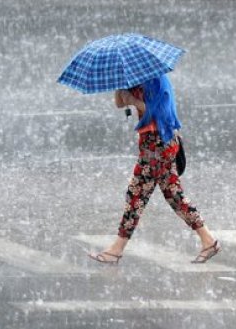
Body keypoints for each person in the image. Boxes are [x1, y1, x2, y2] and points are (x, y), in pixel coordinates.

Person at [88, 74, 221, 264]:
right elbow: (119, 104)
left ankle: (116, 250)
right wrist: (121, 88)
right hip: (152, 145)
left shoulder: (157, 81)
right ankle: (209, 241)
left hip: (159, 144)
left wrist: (133, 100)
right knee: (172, 196)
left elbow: (160, 113)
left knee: (136, 196)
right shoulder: (136, 79)